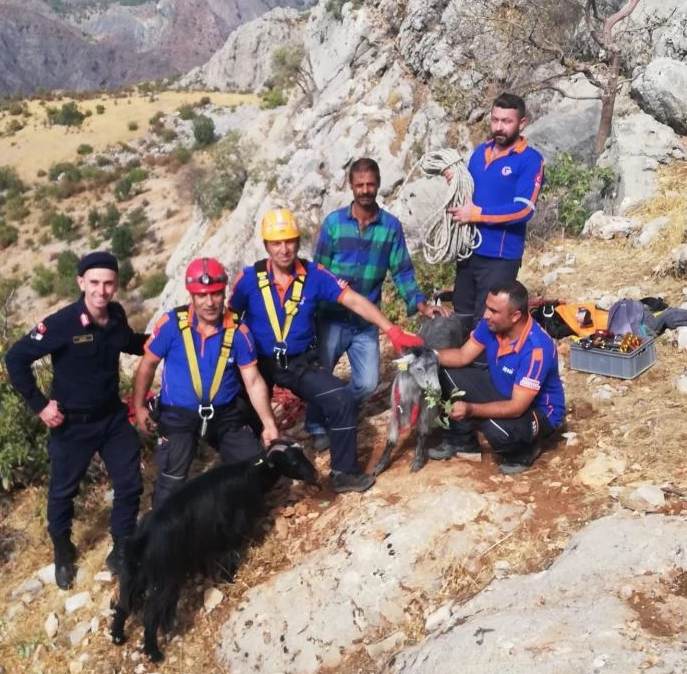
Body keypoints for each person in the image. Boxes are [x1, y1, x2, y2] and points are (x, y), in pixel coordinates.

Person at [229, 208, 423, 493]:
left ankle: (344, 473)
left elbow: (354, 301)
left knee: (341, 399)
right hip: (256, 364)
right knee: (245, 418)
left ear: (297, 242)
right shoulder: (249, 280)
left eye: (290, 241)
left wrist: (390, 329)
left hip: (298, 362)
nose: (284, 249)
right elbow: (229, 319)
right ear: (267, 245)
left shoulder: (314, 275)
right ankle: (255, 479)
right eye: (276, 243)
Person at [5, 251, 147, 589]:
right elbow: (16, 358)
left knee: (130, 484)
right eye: (94, 282)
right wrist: (40, 405)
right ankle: (63, 551)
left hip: (111, 418)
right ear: (81, 282)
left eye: (108, 283)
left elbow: (127, 342)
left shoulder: (115, 315)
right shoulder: (62, 323)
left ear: (116, 285)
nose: (101, 290)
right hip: (72, 426)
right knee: (62, 493)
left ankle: (122, 547)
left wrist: (164, 339)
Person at [307, 157, 445, 451]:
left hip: (365, 322)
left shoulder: (390, 227)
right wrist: (309, 314)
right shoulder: (333, 224)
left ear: (378, 185)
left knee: (368, 383)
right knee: (320, 376)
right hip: (331, 317)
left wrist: (419, 303)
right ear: (351, 186)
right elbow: (318, 272)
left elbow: (402, 270)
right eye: (360, 185)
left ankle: (340, 409)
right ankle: (318, 426)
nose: (365, 190)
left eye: (371, 184)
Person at [132, 257, 280, 510]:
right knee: (172, 479)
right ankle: (160, 534)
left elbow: (253, 380)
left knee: (257, 466)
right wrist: (139, 406)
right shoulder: (172, 325)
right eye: (202, 295)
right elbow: (147, 366)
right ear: (191, 295)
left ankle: (231, 512)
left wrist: (268, 424)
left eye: (215, 294)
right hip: (179, 415)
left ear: (224, 293)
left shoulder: (238, 330)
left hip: (225, 414)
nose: (210, 302)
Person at [432, 280, 565, 474]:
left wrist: (471, 409)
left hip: (537, 411)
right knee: (441, 370)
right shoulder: (491, 326)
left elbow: (516, 407)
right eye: (487, 308)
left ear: (515, 316)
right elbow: (461, 356)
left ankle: (523, 451)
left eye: (494, 311)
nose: (486, 315)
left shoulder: (537, 349)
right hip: (504, 392)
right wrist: (425, 355)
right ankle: (462, 441)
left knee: (495, 428)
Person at [445, 93, 545, 330]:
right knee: (462, 315)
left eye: (506, 121)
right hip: (468, 251)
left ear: (521, 123)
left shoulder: (530, 160)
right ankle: (459, 366)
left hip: (499, 258)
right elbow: (468, 192)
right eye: (495, 120)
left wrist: (476, 214)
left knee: (488, 321)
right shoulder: (480, 153)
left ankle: (486, 367)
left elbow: (523, 209)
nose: (499, 127)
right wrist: (455, 181)